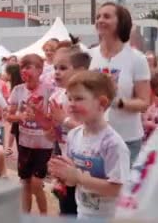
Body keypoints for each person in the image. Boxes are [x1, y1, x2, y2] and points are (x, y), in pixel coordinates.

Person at [49, 71, 130, 220]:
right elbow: (72, 177)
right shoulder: (74, 135)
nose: (71, 104)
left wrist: (79, 178)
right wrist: (61, 175)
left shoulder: (112, 144)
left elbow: (117, 189)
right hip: (83, 213)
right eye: (70, 98)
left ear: (102, 103)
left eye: (79, 98)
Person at [89, 2, 150, 165]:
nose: (100, 20)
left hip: (126, 140)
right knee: (93, 188)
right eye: (98, 16)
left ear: (121, 23)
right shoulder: (90, 55)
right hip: (94, 137)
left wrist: (116, 102)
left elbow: (144, 103)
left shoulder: (137, 58)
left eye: (107, 16)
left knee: (120, 190)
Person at [7, 54, 55, 214]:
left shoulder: (49, 90)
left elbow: (55, 116)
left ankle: (43, 216)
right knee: (25, 182)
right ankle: (26, 216)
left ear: (40, 70)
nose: (24, 71)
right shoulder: (18, 90)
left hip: (44, 145)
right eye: (22, 67)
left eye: (28, 67)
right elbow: (8, 116)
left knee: (36, 183)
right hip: (24, 144)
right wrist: (19, 117)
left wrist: (42, 115)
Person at [46, 46, 90, 216]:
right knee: (66, 210)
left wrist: (64, 119)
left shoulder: (87, 97)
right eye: (55, 67)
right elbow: (53, 136)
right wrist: (46, 125)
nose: (57, 72)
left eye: (63, 68)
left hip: (86, 164)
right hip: (65, 162)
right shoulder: (55, 97)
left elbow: (90, 130)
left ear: (80, 71)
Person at [4, 63, 23, 156]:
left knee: (15, 130)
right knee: (14, 130)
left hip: (19, 116)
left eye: (7, 73)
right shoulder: (16, 86)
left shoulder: (18, 87)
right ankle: (9, 147)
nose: (5, 75)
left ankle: (9, 148)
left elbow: (12, 107)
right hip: (17, 116)